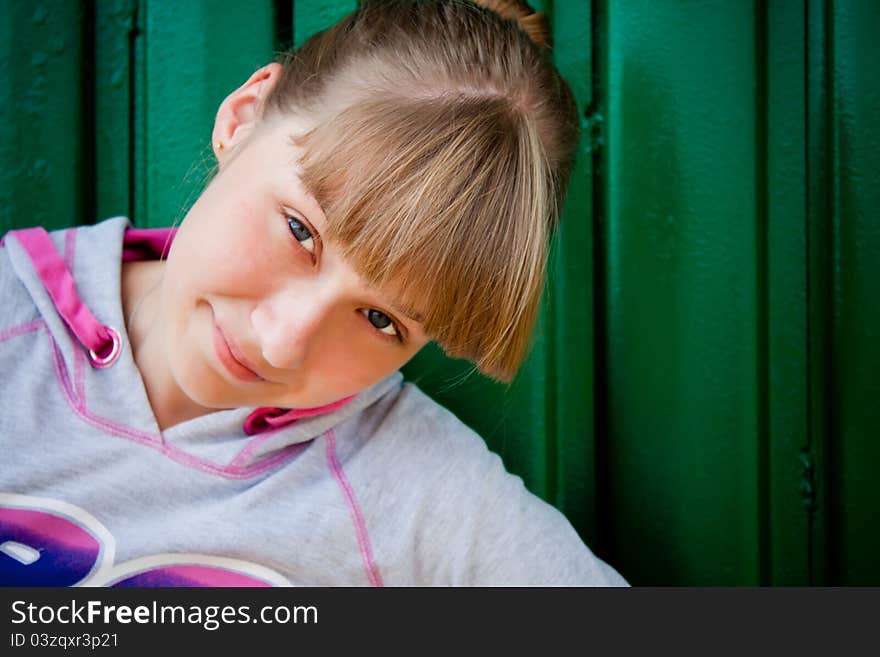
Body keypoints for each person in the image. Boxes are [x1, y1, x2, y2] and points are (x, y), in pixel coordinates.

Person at [0, 0, 626, 586]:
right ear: (243, 118)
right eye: (301, 231)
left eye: (382, 319)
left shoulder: (412, 491)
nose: (282, 343)